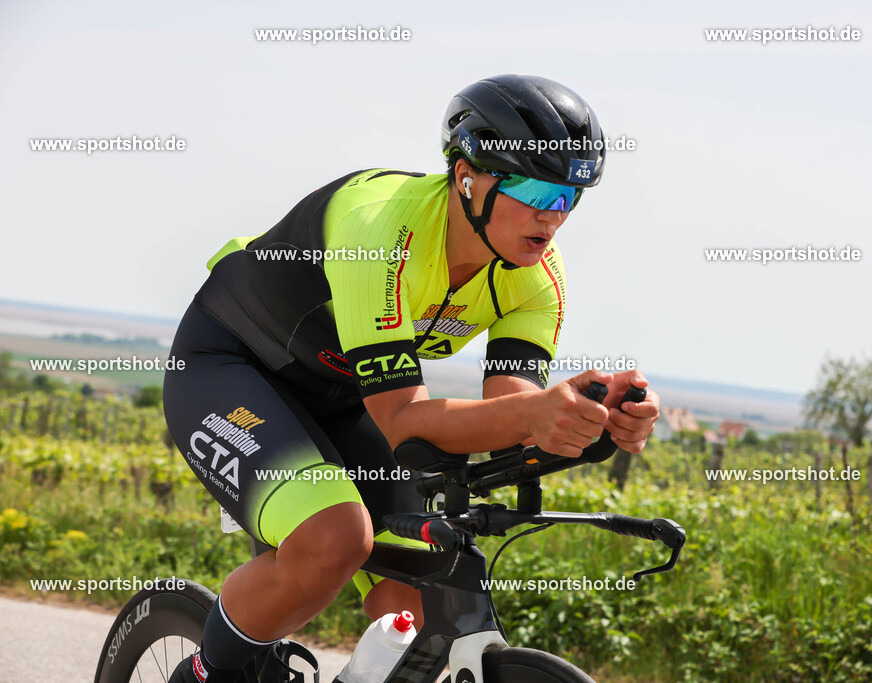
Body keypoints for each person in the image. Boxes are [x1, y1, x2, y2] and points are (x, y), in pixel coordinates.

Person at [164, 74, 660, 683]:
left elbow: (511, 408)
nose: (551, 216)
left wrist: (595, 417)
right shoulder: (382, 233)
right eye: (534, 188)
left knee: (420, 608)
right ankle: (202, 675)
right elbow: (401, 418)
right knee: (334, 540)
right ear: (467, 177)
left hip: (350, 401)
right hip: (235, 366)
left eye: (568, 197)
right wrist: (534, 417)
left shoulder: (536, 278)